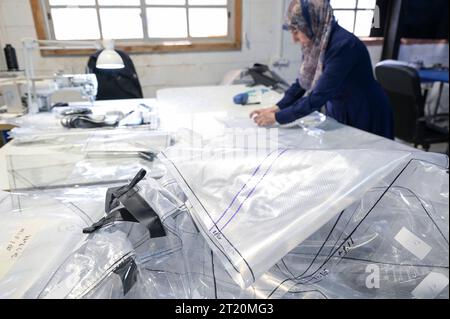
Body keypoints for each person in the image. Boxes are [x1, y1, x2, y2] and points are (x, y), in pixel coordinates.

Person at [250, 0, 394, 139]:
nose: (294, 39)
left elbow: (318, 96)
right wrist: (276, 108)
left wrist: (277, 118)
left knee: (367, 157)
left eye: (296, 31)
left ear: (313, 23)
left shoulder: (344, 46)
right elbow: (302, 83)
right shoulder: (316, 43)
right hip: (339, 107)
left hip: (364, 110)